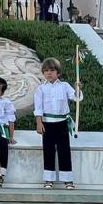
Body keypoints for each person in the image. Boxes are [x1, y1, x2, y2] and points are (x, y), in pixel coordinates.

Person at [34, 57, 79, 189]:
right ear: (43, 73)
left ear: (58, 72)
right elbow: (38, 107)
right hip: (47, 123)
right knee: (48, 150)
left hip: (62, 123)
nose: (49, 73)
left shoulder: (64, 86)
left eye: (52, 70)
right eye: (46, 70)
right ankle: (48, 179)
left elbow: (75, 97)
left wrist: (77, 88)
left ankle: (68, 180)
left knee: (64, 150)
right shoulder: (40, 89)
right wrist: (39, 122)